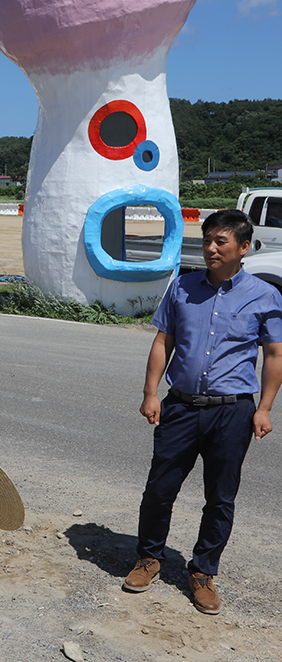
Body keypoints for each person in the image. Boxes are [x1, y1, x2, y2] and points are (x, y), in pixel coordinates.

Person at [124, 209, 282, 616]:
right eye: (207, 239)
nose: (211, 248)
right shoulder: (181, 288)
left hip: (233, 413)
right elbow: (163, 341)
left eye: (221, 242)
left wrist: (264, 408)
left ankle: (203, 573)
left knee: (220, 497)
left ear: (244, 247)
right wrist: (151, 393)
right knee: (160, 487)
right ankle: (148, 559)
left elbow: (275, 354)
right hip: (180, 406)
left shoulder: (265, 296)